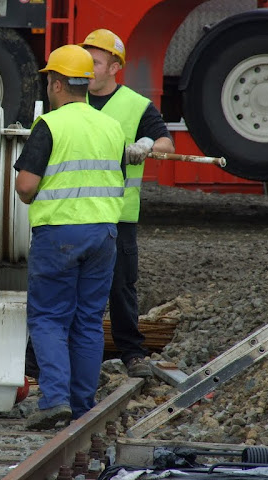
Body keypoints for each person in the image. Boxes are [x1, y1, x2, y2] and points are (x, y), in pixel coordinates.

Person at [14, 44, 126, 429]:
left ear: (58, 83)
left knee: (48, 318)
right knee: (89, 321)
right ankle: (82, 406)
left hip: (60, 233)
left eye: (49, 79)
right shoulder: (112, 127)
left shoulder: (51, 125)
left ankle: (55, 400)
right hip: (104, 235)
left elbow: (26, 186)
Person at [79, 29, 175, 378]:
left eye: (96, 62)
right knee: (72, 288)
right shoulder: (73, 99)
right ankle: (41, 359)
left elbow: (167, 144)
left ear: (115, 67)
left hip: (118, 215)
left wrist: (148, 143)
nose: (88, 69)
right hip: (77, 212)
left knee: (120, 287)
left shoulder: (136, 106)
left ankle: (132, 353)